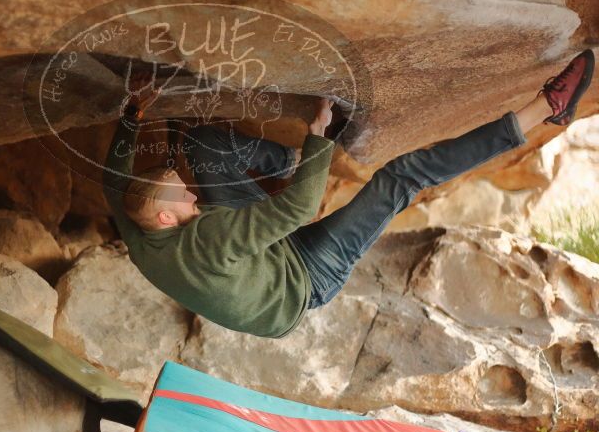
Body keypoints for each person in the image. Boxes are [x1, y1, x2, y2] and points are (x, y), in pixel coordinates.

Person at [102, 49, 595, 338]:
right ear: (168, 221)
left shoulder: (137, 224)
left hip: (248, 260)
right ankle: (543, 111)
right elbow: (297, 209)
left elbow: (113, 177)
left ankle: (287, 165)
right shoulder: (207, 236)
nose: (193, 193)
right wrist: (318, 134)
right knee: (401, 176)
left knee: (197, 143)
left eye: (183, 186)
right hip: (301, 280)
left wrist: (133, 112)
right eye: (184, 197)